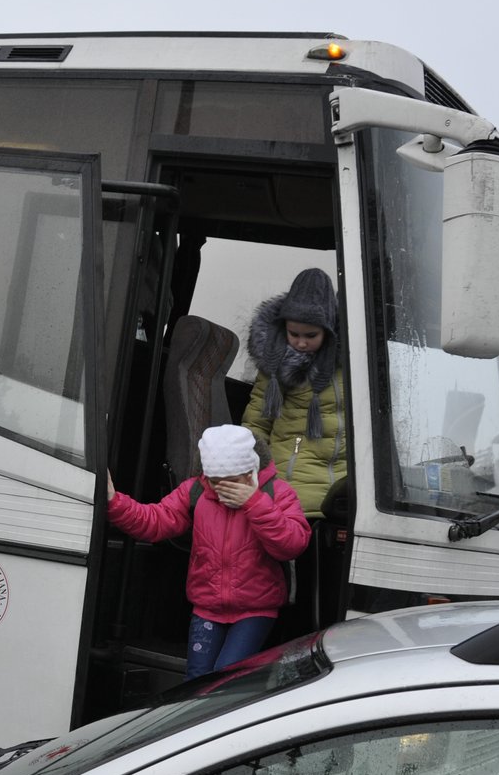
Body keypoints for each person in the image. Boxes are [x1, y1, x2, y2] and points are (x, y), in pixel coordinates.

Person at [107, 424, 311, 679]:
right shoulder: (197, 491)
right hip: (207, 607)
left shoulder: (277, 493)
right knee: (196, 678)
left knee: (225, 677)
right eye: (215, 482)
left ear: (250, 473)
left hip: (256, 608)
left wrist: (254, 503)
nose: (220, 490)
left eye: (231, 483)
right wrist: (113, 501)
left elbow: (292, 544)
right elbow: (154, 521)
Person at [241, 266, 348, 517]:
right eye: (294, 334)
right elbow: (256, 422)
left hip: (343, 486)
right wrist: (254, 477)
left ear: (330, 332)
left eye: (311, 335)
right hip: (290, 482)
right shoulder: (275, 365)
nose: (301, 342)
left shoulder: (349, 365)